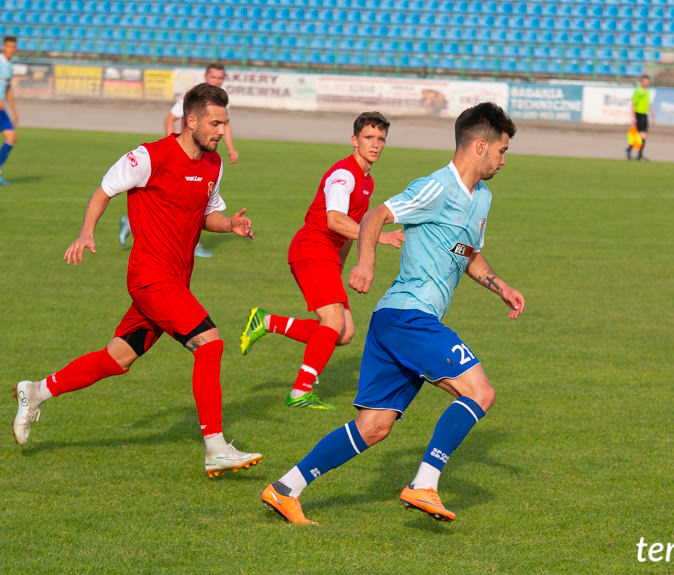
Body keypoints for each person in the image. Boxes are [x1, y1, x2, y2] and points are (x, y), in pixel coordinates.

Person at [260, 102, 525, 525]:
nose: (503, 160)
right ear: (480, 146)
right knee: (480, 392)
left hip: (395, 322)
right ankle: (424, 483)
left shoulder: (482, 198)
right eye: (501, 150)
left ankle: (285, 487)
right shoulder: (437, 186)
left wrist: (501, 286)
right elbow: (375, 215)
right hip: (408, 316)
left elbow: (467, 252)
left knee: (374, 427)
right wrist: (365, 262)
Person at [12, 83, 263, 477]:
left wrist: (229, 224)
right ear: (191, 120)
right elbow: (104, 190)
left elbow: (203, 215)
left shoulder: (213, 165)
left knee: (117, 358)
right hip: (150, 278)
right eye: (216, 123)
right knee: (210, 344)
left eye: (226, 123)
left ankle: (37, 390)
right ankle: (215, 446)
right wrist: (86, 232)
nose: (221, 131)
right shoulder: (149, 156)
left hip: (175, 282)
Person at [239, 112, 404, 410]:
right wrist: (379, 236)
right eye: (369, 138)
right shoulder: (344, 175)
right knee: (333, 322)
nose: (376, 144)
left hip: (326, 256)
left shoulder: (367, 180)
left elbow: (349, 233)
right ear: (354, 140)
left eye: (381, 139)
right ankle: (300, 391)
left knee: (343, 333)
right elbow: (335, 220)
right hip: (312, 248)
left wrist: (339, 268)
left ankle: (267, 321)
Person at [119, 63, 237, 257]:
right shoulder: (192, 97)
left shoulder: (221, 102)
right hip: (183, 157)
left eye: (220, 78)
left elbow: (227, 126)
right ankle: (136, 224)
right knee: (179, 203)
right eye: (214, 77)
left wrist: (231, 149)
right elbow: (170, 118)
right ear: (206, 76)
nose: (217, 81)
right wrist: (172, 146)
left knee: (190, 202)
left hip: (202, 156)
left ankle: (131, 223)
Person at [0, 36, 19, 186]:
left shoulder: (9, 65)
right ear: (3, 47)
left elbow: (7, 89)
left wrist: (14, 112)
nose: (11, 49)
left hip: (1, 108)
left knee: (12, 137)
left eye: (13, 47)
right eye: (8, 46)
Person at [626, 74, 653, 162]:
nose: (647, 83)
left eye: (648, 82)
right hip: (638, 114)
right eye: (645, 81)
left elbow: (648, 104)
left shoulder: (647, 92)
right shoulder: (638, 91)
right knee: (639, 136)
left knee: (643, 137)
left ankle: (637, 154)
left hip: (644, 115)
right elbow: (633, 104)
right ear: (642, 82)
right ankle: (633, 152)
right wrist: (633, 117)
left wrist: (652, 116)